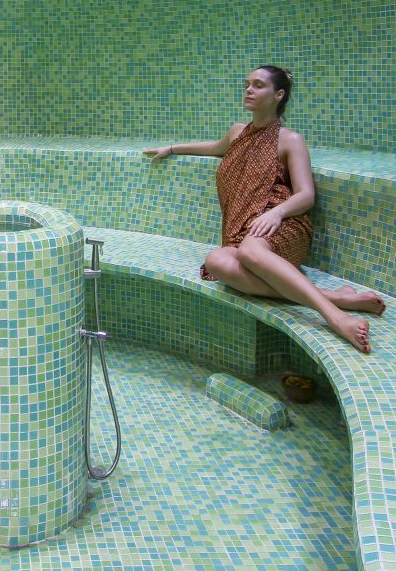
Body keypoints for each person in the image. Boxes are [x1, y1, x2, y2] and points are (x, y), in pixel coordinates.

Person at [144, 65, 382, 354]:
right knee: (216, 261)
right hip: (243, 232)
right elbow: (213, 147)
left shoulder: (289, 139)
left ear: (278, 94)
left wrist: (276, 213)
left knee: (249, 251)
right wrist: (171, 149)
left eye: (258, 85)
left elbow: (306, 195)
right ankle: (335, 297)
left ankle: (336, 317)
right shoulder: (237, 133)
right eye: (247, 84)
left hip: (282, 226)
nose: (248, 90)